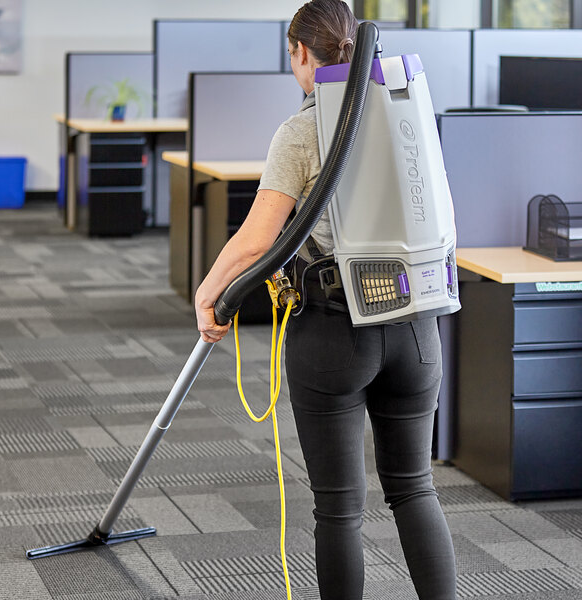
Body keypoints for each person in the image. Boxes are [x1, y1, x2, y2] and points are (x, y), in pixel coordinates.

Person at [194, 1, 457, 598]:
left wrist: (210, 293)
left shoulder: (301, 130)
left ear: (300, 53)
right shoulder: (406, 109)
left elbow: (259, 237)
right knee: (415, 487)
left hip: (337, 334)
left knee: (339, 508)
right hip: (418, 327)